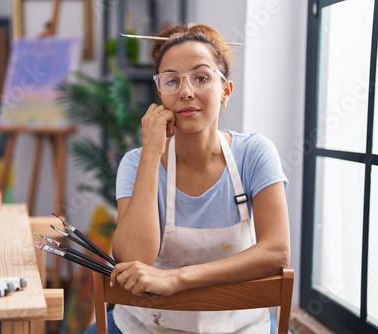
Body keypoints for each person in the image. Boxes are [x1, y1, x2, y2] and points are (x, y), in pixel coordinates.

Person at [84, 23, 290, 333]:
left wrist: (176, 279)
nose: (186, 91)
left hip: (238, 328)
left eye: (202, 77)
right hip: (144, 326)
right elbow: (132, 257)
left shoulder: (255, 154)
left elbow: (276, 251)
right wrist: (152, 153)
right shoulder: (136, 162)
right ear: (160, 94)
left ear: (225, 92)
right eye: (172, 81)